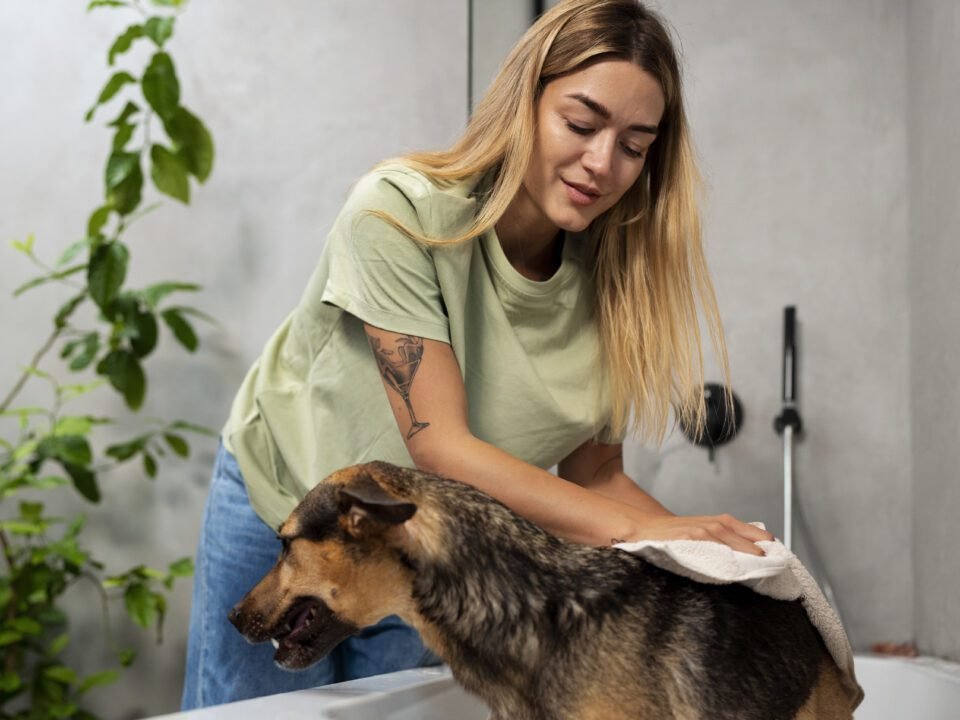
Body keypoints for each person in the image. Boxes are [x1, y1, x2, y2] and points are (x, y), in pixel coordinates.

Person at [180, 0, 774, 709]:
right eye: (581, 124)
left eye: (635, 144)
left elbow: (596, 479)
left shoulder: (617, 285)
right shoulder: (397, 213)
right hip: (281, 507)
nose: (601, 162)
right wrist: (649, 530)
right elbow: (441, 451)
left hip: (428, 555)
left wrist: (701, 557)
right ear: (524, 103)